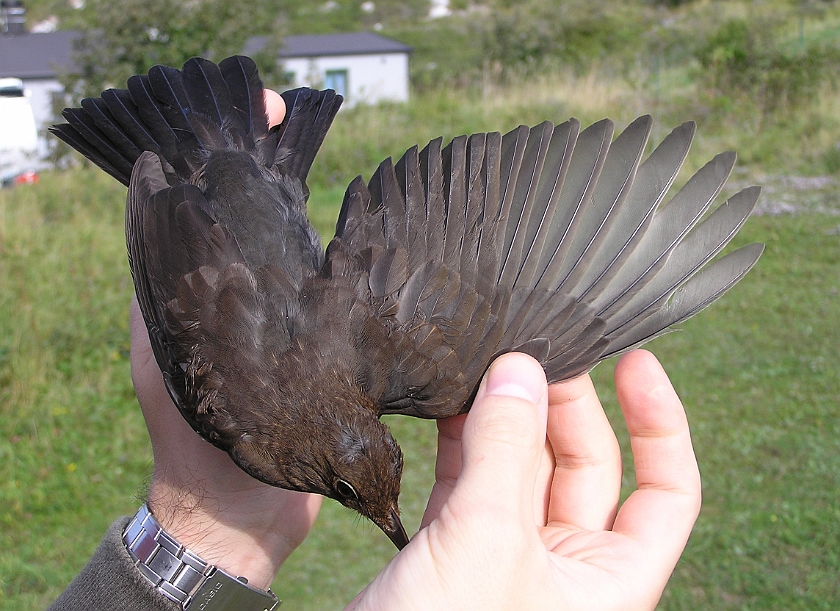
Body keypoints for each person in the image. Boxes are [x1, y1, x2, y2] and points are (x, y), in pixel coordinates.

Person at [49, 94, 701, 611]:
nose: (386, 520)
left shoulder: (379, 376)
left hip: (243, 166)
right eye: (358, 497)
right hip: (224, 170)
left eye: (363, 499)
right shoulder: (239, 422)